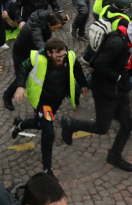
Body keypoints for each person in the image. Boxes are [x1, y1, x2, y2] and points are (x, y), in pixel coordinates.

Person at [61, 19, 132, 172]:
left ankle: (114, 155)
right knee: (101, 127)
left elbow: (125, 63)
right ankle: (70, 124)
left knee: (127, 124)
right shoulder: (118, 43)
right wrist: (118, 77)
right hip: (105, 90)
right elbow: (98, 64)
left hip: (119, 89)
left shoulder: (127, 42)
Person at [11, 38, 87, 176]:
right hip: (42, 100)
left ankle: (20, 125)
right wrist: (20, 86)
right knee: (49, 132)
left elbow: (77, 68)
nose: (61, 60)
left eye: (63, 56)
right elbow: (23, 68)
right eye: (58, 57)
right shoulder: (38, 58)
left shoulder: (69, 56)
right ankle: (47, 168)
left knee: (41, 124)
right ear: (49, 53)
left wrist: (83, 83)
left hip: (56, 100)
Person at [3, 10, 63, 111]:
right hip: (21, 53)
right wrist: (49, 53)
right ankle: (7, 96)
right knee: (20, 77)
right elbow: (38, 42)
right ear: (48, 24)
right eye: (55, 28)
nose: (56, 31)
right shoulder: (36, 28)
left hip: (31, 51)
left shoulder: (46, 18)